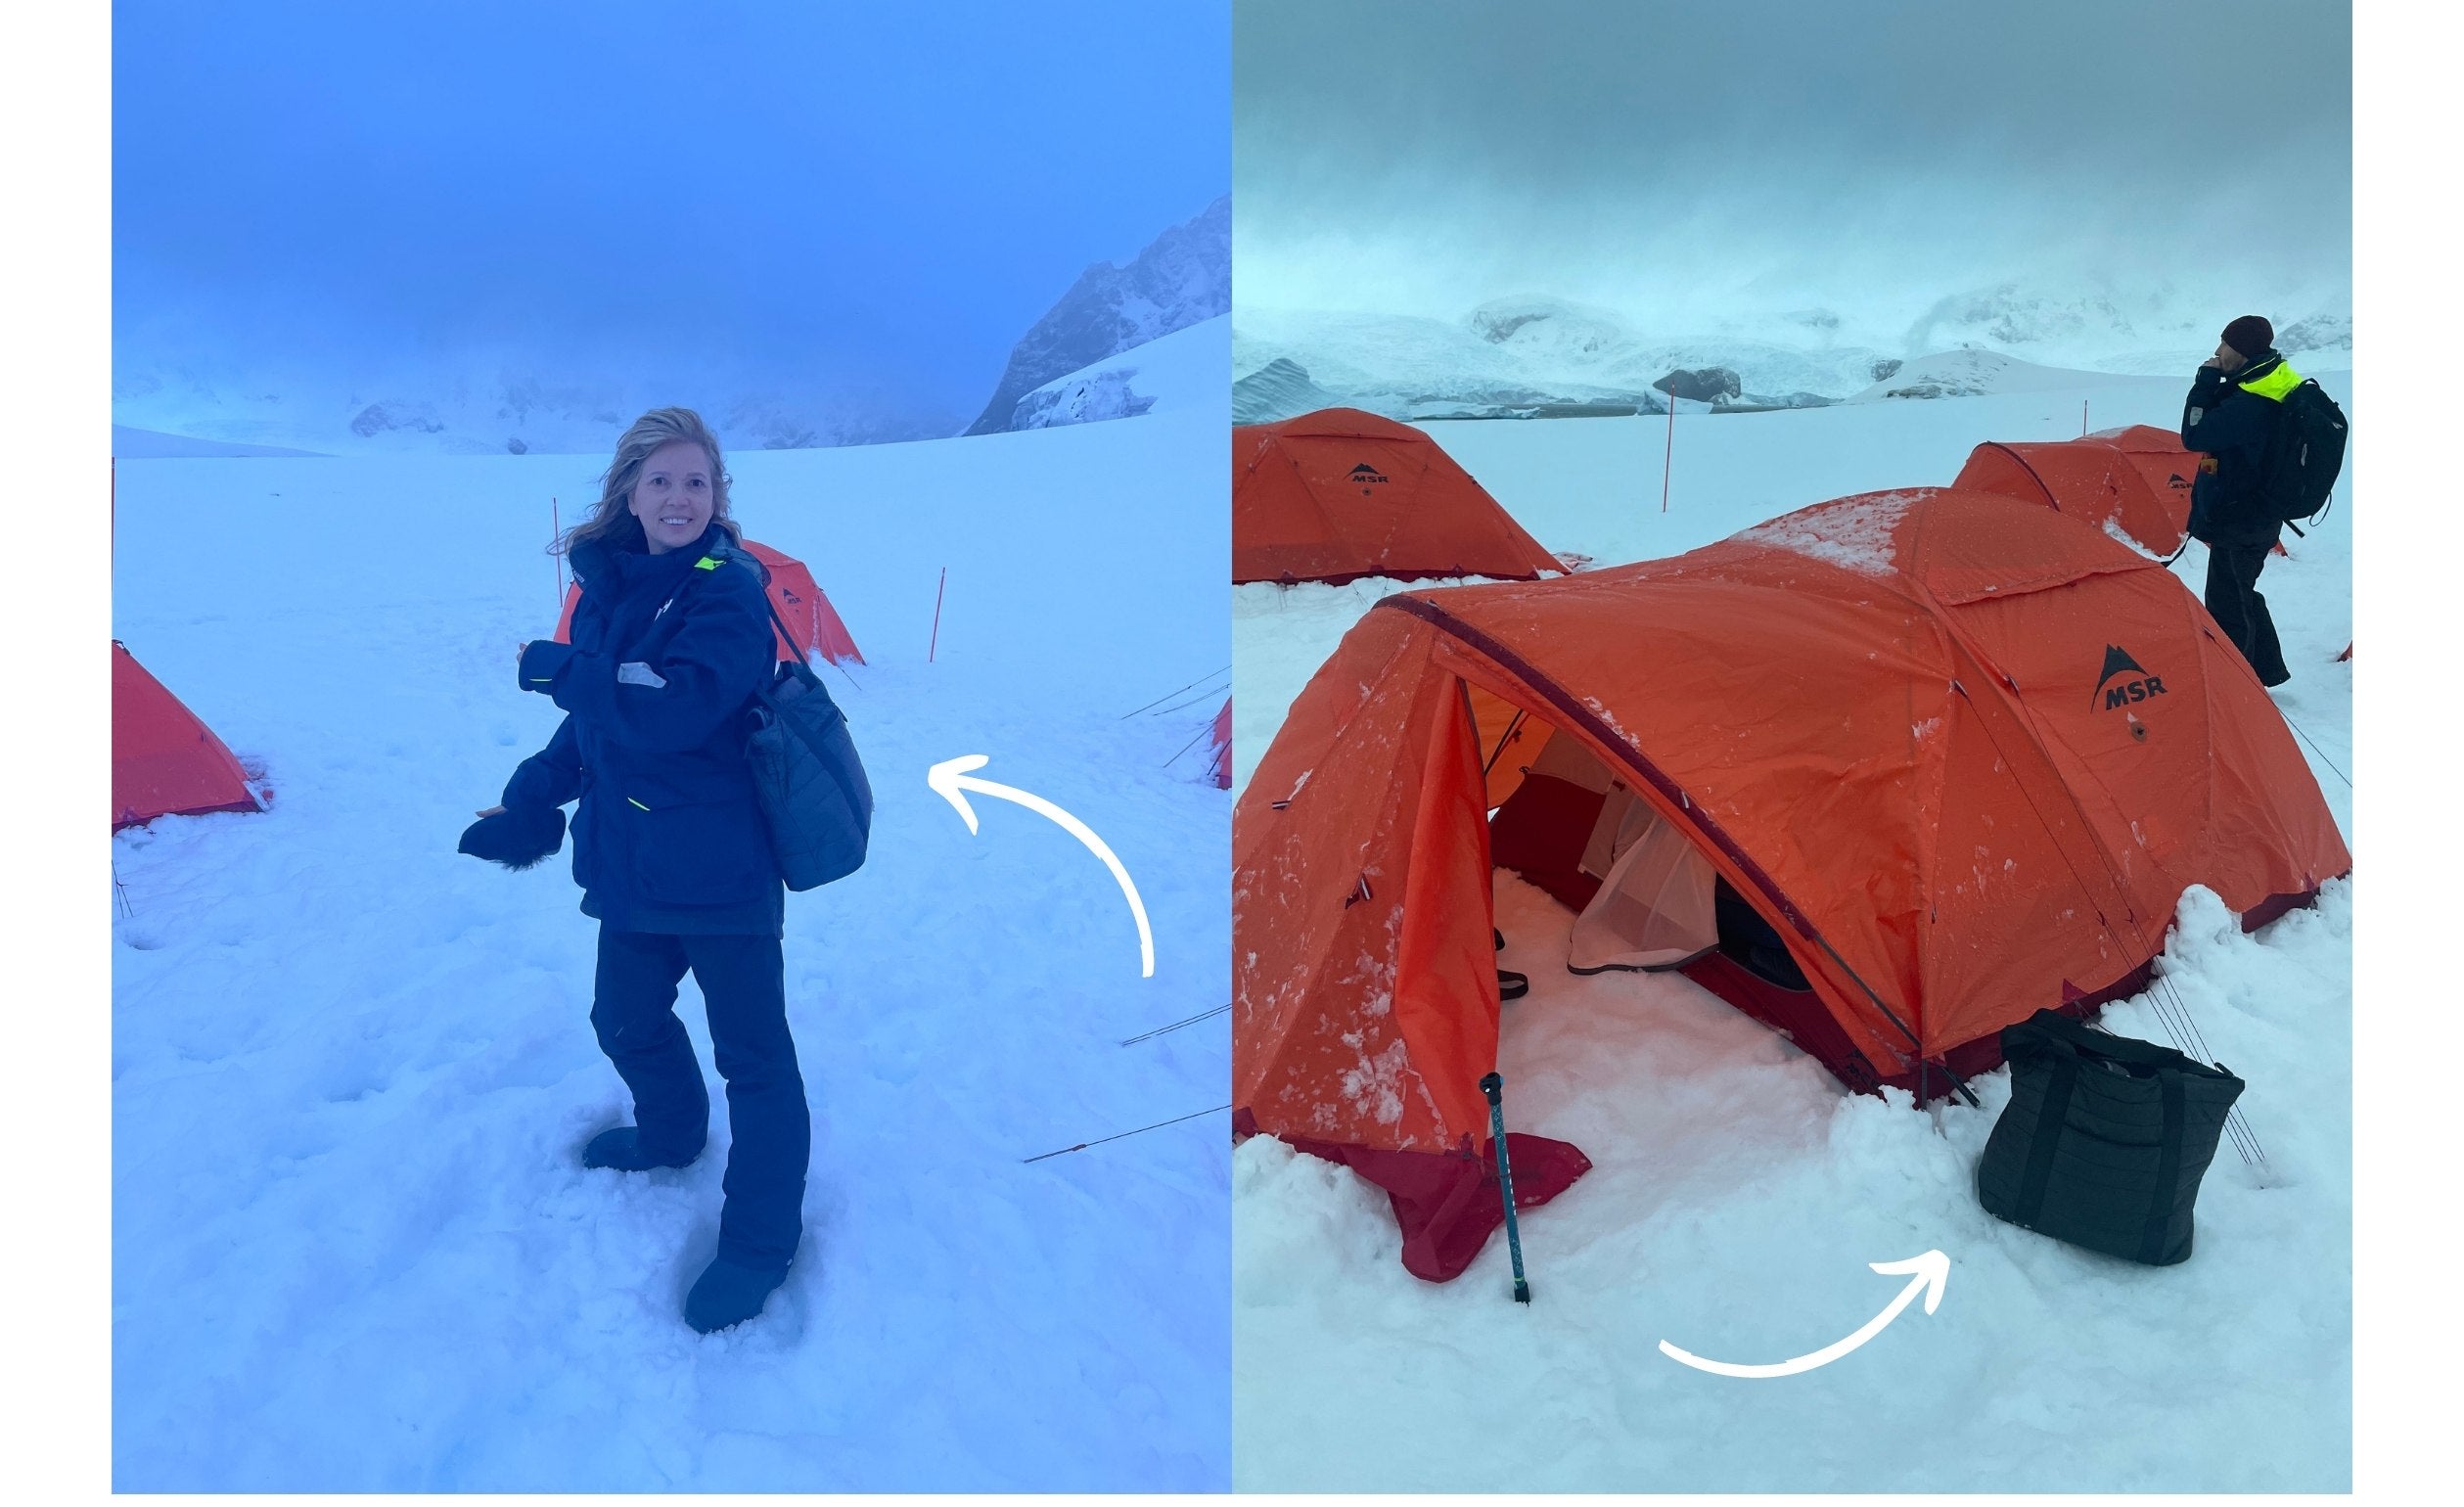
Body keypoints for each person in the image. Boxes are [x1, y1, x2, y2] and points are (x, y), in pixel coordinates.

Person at [463, 406, 807, 1334]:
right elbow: (601, 722)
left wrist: (562, 668)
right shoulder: (618, 587)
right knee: (623, 1018)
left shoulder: (729, 590)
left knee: (757, 1062)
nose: (680, 497)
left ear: (718, 495)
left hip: (723, 872)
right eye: (661, 480)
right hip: (632, 865)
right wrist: (534, 795)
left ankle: (759, 1242)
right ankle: (671, 1130)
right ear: (627, 491)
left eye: (698, 481)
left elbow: (671, 707)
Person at [2181, 313, 2302, 687]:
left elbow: (2195, 433)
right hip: (2258, 511)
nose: (2217, 351)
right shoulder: (2265, 381)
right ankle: (2266, 670)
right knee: (2240, 591)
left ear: (2243, 351)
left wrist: (2203, 382)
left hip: (2242, 516)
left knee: (2227, 604)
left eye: (2225, 345)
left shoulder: (2253, 401)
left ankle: (2235, 687)